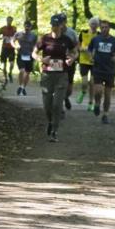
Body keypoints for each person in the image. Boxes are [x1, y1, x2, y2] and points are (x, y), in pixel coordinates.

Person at [36, 13, 77, 142]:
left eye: (57, 25)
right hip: (47, 75)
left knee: (57, 104)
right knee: (47, 105)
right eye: (53, 25)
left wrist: (72, 58)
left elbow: (75, 51)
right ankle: (49, 122)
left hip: (61, 75)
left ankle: (54, 131)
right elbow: (33, 53)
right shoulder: (44, 39)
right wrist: (42, 59)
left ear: (61, 25)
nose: (54, 28)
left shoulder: (66, 40)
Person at [88, 19, 115, 124]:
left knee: (108, 95)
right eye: (102, 27)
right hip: (98, 69)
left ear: (109, 28)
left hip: (109, 70)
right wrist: (91, 57)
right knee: (98, 91)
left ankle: (105, 114)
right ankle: (97, 103)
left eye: (106, 27)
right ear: (100, 28)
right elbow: (89, 49)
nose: (104, 29)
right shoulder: (96, 39)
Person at [76, 16, 101, 109]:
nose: (93, 26)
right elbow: (77, 46)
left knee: (92, 83)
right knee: (84, 82)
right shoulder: (83, 33)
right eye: (92, 24)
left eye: (95, 24)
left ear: (98, 26)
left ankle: (90, 103)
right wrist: (82, 49)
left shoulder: (99, 35)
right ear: (89, 24)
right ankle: (83, 92)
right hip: (83, 60)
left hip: (94, 61)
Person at [13, 19, 38, 96]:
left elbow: (36, 45)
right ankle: (20, 86)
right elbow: (12, 41)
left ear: (31, 27)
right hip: (21, 55)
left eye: (29, 26)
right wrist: (15, 46)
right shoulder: (18, 34)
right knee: (22, 71)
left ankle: (22, 88)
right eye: (26, 26)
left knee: (27, 73)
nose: (27, 28)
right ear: (24, 26)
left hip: (30, 56)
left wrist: (35, 52)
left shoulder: (34, 35)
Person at [60, 13, 79, 111]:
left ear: (66, 21)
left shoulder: (71, 32)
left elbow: (77, 45)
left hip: (70, 60)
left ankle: (66, 97)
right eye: (60, 21)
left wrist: (72, 56)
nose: (61, 23)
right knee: (59, 82)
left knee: (69, 87)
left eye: (63, 21)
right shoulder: (55, 32)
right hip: (58, 61)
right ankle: (60, 106)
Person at [0, 16, 17, 87]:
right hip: (4, 48)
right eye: (8, 20)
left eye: (10, 20)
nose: (9, 22)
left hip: (11, 48)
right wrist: (2, 37)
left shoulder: (14, 28)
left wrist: (13, 39)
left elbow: (16, 36)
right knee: (4, 65)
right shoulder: (2, 28)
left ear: (12, 21)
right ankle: (6, 78)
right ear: (6, 20)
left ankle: (10, 73)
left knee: (12, 64)